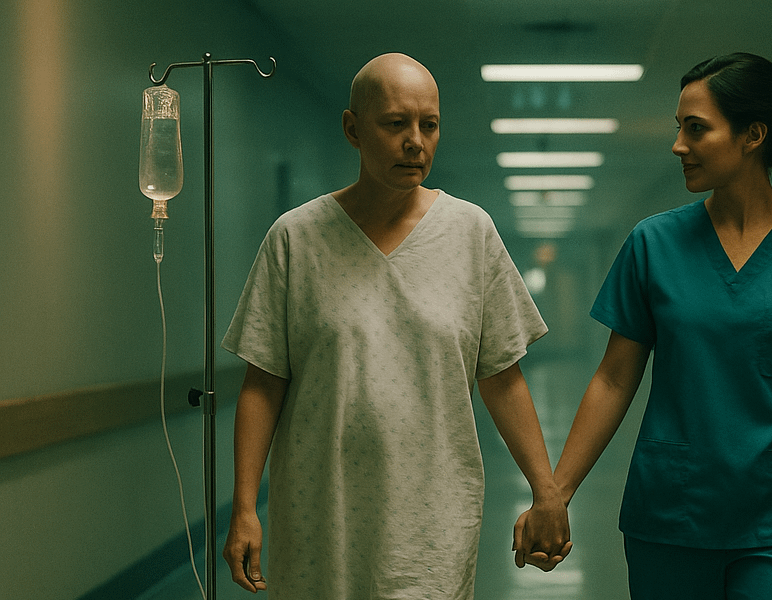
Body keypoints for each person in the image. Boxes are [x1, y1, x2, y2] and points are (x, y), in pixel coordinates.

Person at [516, 53, 772, 600]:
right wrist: (556, 493)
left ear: (752, 135)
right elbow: (614, 379)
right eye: (678, 128)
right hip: (672, 514)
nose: (678, 146)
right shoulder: (653, 244)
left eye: (696, 129)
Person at [221, 52, 570, 599]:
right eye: (395, 124)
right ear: (352, 129)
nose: (416, 141)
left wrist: (546, 492)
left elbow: (502, 375)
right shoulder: (296, 239)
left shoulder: (470, 233)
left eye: (428, 125)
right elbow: (263, 383)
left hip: (432, 521)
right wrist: (244, 507)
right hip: (320, 514)